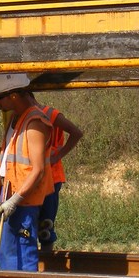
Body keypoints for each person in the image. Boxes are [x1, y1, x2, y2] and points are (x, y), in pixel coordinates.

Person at [0, 72, 53, 272]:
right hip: (9, 194)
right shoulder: (16, 119)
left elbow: (38, 170)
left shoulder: (34, 123)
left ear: (14, 95)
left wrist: (15, 200)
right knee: (8, 252)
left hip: (23, 200)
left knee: (23, 252)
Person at [32, 95, 83, 254]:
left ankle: (46, 260)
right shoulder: (25, 116)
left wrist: (58, 155)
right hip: (34, 178)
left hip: (51, 178)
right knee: (32, 223)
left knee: (45, 224)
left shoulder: (50, 114)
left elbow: (76, 133)